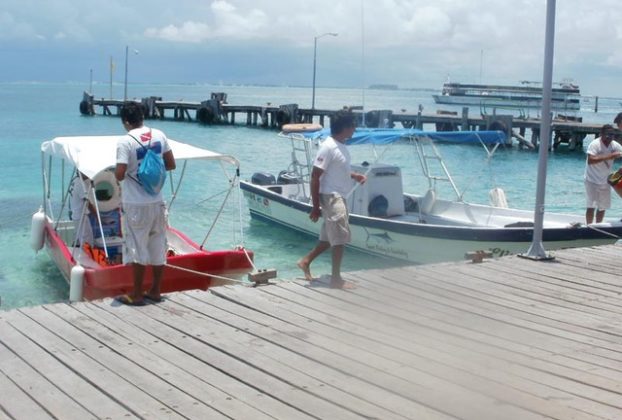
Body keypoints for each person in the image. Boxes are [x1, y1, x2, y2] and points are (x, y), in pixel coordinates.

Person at [114, 102, 176, 306]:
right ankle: (156, 290)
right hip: (157, 201)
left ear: (125, 121)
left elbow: (120, 173)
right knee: (158, 244)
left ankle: (137, 294)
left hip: (135, 204)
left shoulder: (125, 141)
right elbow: (171, 164)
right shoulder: (159, 134)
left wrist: (127, 172)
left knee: (136, 247)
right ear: (142, 117)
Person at [297, 109, 366, 288]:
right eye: (353, 126)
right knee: (340, 237)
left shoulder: (341, 145)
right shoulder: (328, 146)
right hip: (331, 196)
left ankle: (306, 261)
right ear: (345, 127)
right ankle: (336, 279)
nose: (355, 130)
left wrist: (354, 175)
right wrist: (315, 206)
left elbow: (337, 170)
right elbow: (315, 175)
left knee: (329, 238)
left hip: (338, 196)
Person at [584, 124, 622, 224]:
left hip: (605, 180)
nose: (609, 137)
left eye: (612, 134)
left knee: (602, 207)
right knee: (591, 206)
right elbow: (591, 160)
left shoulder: (614, 145)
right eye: (607, 134)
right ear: (601, 134)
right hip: (591, 180)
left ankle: (598, 226)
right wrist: (610, 156)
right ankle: (589, 226)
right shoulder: (594, 144)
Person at [68, 171, 94, 246]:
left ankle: (79, 250)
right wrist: (97, 216)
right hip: (81, 216)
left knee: (80, 238)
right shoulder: (81, 184)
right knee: (87, 240)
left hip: (75, 214)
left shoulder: (75, 180)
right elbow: (87, 202)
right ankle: (87, 255)